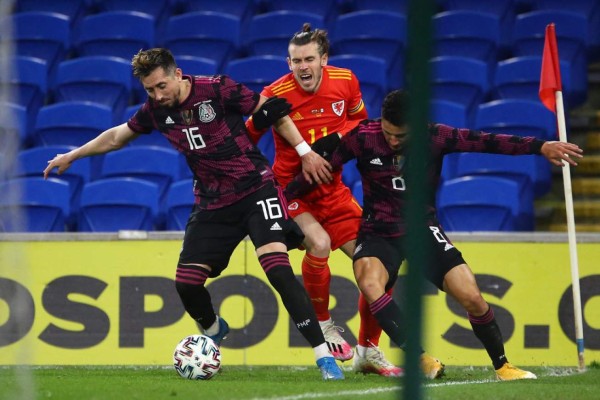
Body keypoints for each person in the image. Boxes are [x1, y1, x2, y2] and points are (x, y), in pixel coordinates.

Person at [43, 48, 345, 380]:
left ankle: (323, 357)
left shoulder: (216, 88)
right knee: (186, 284)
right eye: (149, 90)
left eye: (161, 86)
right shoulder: (155, 111)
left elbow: (271, 110)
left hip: (256, 188)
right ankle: (214, 329)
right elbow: (117, 137)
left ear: (177, 74)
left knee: (277, 269)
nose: (157, 95)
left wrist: (304, 152)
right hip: (213, 203)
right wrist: (73, 154)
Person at [286, 89, 584, 380]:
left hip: (422, 229)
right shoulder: (364, 136)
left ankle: (503, 366)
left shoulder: (435, 137)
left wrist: (540, 146)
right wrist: (284, 202)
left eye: (400, 136)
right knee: (369, 281)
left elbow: (486, 141)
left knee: (472, 297)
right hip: (378, 230)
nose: (392, 140)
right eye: (388, 133)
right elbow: (318, 171)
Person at [245, 24, 437, 378]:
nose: (302, 67)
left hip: (334, 193)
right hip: (293, 191)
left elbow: (359, 123)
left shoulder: (346, 81)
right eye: (295, 60)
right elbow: (248, 135)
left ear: (323, 59)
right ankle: (324, 325)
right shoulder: (275, 93)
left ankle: (369, 351)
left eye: (309, 59)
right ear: (288, 62)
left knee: (378, 266)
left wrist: (330, 144)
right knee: (318, 243)